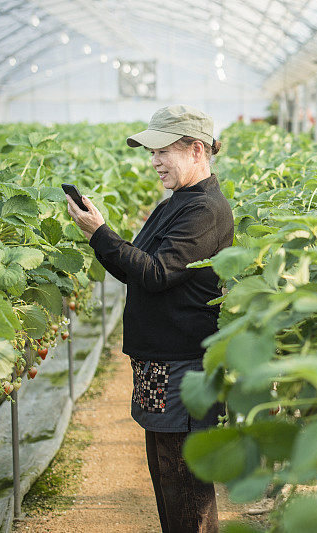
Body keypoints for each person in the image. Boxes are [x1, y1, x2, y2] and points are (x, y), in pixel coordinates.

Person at [66, 104, 233, 533]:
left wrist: (100, 234)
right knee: (169, 480)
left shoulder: (205, 210)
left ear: (196, 150)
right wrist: (99, 234)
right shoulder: (178, 202)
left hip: (183, 368)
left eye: (162, 151)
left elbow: (156, 274)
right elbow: (136, 269)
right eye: (151, 151)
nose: (154, 161)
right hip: (161, 365)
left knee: (185, 489)